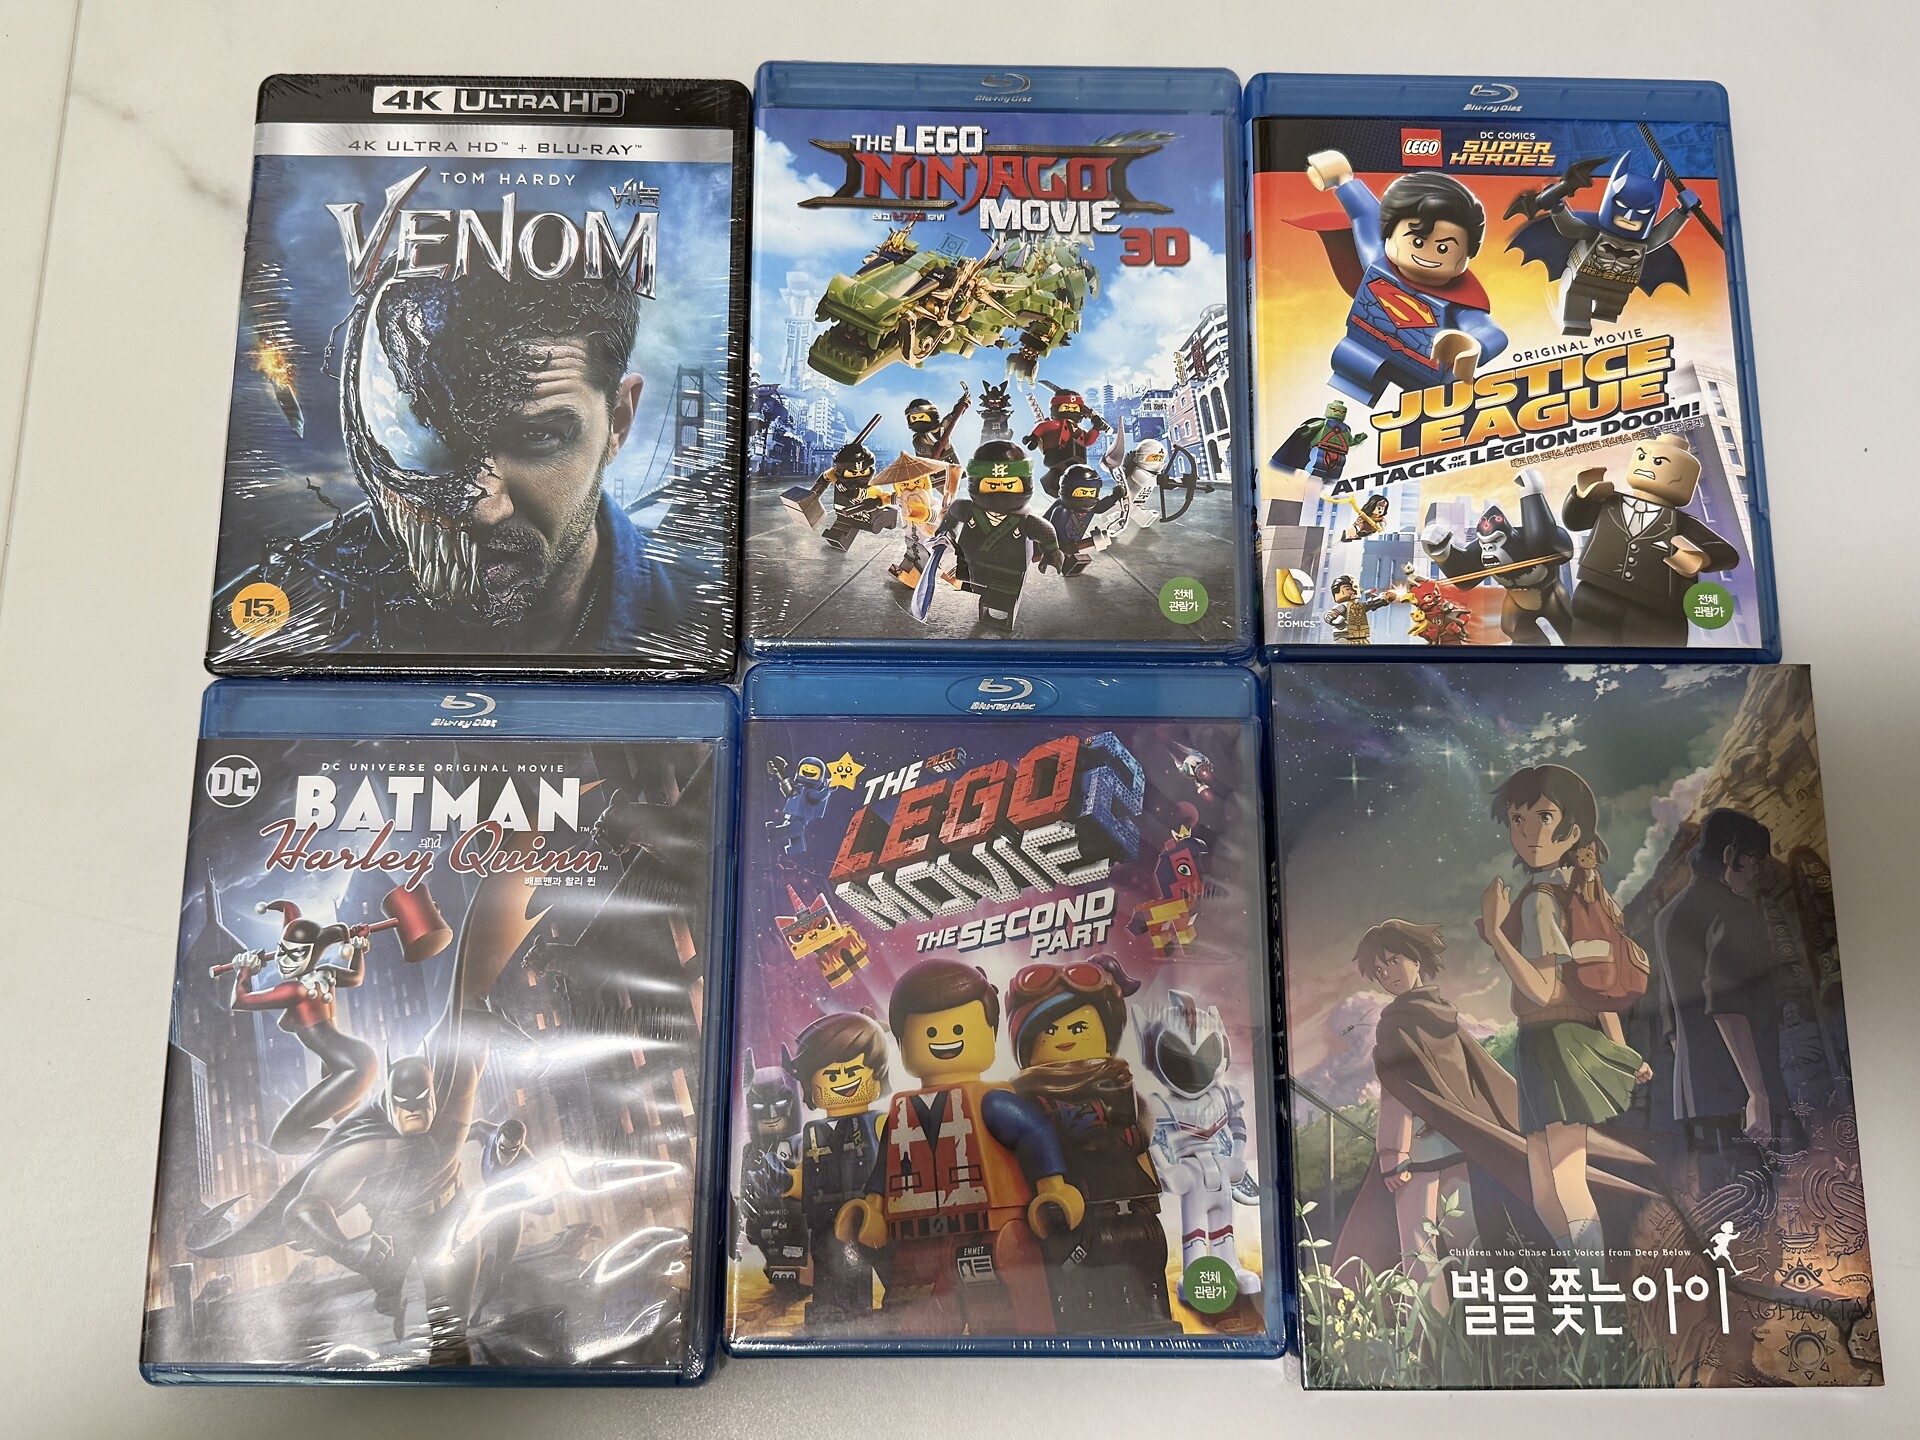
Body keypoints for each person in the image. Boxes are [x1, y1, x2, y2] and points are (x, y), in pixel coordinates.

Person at [1478, 765, 1651, 1260]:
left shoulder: (1541, 901)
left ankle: (1591, 1286)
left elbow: (1540, 990)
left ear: (1573, 830)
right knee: (1547, 1183)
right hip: (1552, 1042)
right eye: (1518, 819)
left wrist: (1496, 935)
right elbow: (1594, 987)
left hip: (1554, 1042)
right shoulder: (1575, 891)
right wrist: (1621, 1049)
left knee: (1560, 1180)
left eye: (1544, 817)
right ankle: (1582, 1281)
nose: (1528, 832)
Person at [1654, 808, 1794, 1153]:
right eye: (1754, 859)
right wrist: (1757, 1093)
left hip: (1695, 1096)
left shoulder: (1666, 917)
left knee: (1721, 1183)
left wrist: (1695, 1081)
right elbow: (1727, 1005)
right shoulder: (1734, 910)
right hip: (1742, 1092)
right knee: (1767, 1180)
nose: (1757, 870)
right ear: (1730, 855)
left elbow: (1670, 1015)